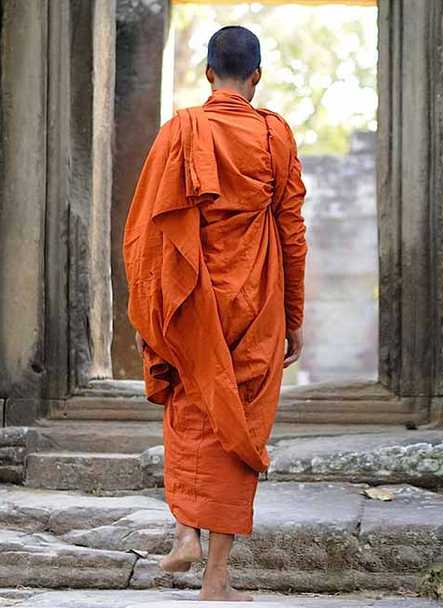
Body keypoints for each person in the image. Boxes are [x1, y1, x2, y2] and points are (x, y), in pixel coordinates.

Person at [120, 25, 307, 602]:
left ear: (207, 73)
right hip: (256, 301)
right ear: (256, 77)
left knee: (192, 402)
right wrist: (293, 315)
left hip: (192, 297)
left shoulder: (182, 130)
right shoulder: (274, 135)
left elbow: (147, 229)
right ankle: (217, 578)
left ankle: (184, 534)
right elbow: (292, 231)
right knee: (240, 421)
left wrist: (158, 303)